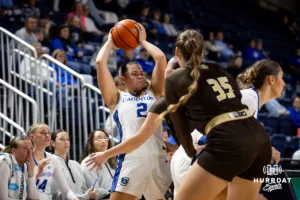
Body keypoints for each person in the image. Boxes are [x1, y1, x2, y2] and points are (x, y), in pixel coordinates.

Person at [159, 30, 272, 200]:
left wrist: (190, 152)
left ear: (176, 52)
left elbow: (181, 128)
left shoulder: (174, 79)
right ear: (203, 50)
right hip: (260, 139)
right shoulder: (218, 68)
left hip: (228, 141)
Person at [88, 23, 168, 200]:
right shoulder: (116, 99)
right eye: (134, 74)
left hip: (157, 156)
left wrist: (142, 41)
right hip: (133, 157)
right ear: (123, 79)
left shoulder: (154, 91)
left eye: (141, 73)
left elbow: (161, 58)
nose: (140, 76)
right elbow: (100, 63)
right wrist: (110, 41)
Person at [27, 123, 78, 200]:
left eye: (48, 133)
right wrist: (38, 173)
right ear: (32, 137)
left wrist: (74, 198)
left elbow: (66, 191)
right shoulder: (25, 158)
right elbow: (22, 189)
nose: (47, 135)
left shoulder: (53, 159)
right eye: (43, 133)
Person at [50, 129, 96, 200]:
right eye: (62, 139)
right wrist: (84, 196)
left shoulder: (76, 164)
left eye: (68, 139)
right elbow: (56, 195)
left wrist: (90, 194)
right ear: (53, 143)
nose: (66, 142)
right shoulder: (51, 164)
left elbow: (84, 188)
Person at [80, 129, 117, 199]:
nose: (103, 141)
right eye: (99, 138)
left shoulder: (111, 160)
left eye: (105, 138)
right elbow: (94, 190)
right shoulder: (88, 162)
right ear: (91, 143)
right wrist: (111, 192)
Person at [0, 136, 39, 200]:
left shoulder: (27, 166)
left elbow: (33, 197)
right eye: (25, 148)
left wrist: (31, 174)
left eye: (31, 148)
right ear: (14, 150)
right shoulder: (4, 163)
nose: (29, 152)